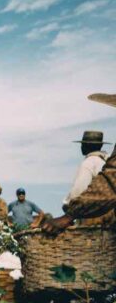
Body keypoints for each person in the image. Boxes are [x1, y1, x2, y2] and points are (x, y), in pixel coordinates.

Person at [44, 93, 116, 233]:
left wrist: (69, 214)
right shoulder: (105, 159)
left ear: (86, 146)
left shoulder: (88, 163)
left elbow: (108, 185)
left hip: (91, 215)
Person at [63, 130, 113, 226]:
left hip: (93, 218)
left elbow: (78, 191)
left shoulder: (88, 163)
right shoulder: (107, 163)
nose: (81, 147)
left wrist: (68, 206)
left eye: (83, 145)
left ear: (86, 146)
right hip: (109, 216)